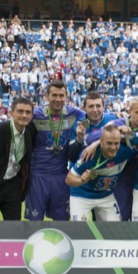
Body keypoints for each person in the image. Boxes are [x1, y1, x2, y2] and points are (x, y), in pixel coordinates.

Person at [26, 79, 86, 220]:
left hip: (61, 176)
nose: (58, 99)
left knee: (62, 222)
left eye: (61, 95)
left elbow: (95, 119)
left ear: (67, 96)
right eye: (54, 95)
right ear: (46, 96)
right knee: (34, 222)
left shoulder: (74, 114)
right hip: (37, 175)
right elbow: (15, 121)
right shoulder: (35, 115)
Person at [66, 124, 136, 222]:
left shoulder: (125, 152)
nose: (113, 147)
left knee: (114, 230)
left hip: (105, 195)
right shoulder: (88, 155)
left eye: (116, 143)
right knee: (80, 230)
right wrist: (81, 180)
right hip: (82, 196)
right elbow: (69, 179)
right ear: (101, 141)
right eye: (109, 143)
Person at [0, 97, 34, 220]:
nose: (24, 115)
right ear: (11, 113)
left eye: (28, 112)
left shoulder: (30, 132)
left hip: (13, 186)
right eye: (20, 111)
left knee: (14, 227)